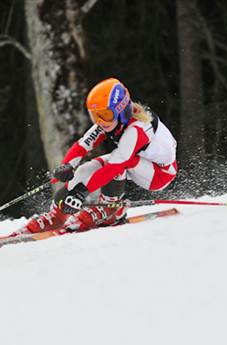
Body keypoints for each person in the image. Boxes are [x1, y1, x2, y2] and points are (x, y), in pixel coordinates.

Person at [19, 77, 178, 234]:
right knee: (85, 170)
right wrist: (67, 166)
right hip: (135, 163)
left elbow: (114, 168)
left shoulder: (136, 130)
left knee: (118, 162)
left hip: (159, 174)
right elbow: (82, 145)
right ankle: (57, 217)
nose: (100, 121)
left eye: (105, 114)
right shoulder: (111, 122)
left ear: (121, 111)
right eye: (95, 115)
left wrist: (80, 194)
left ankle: (111, 211)